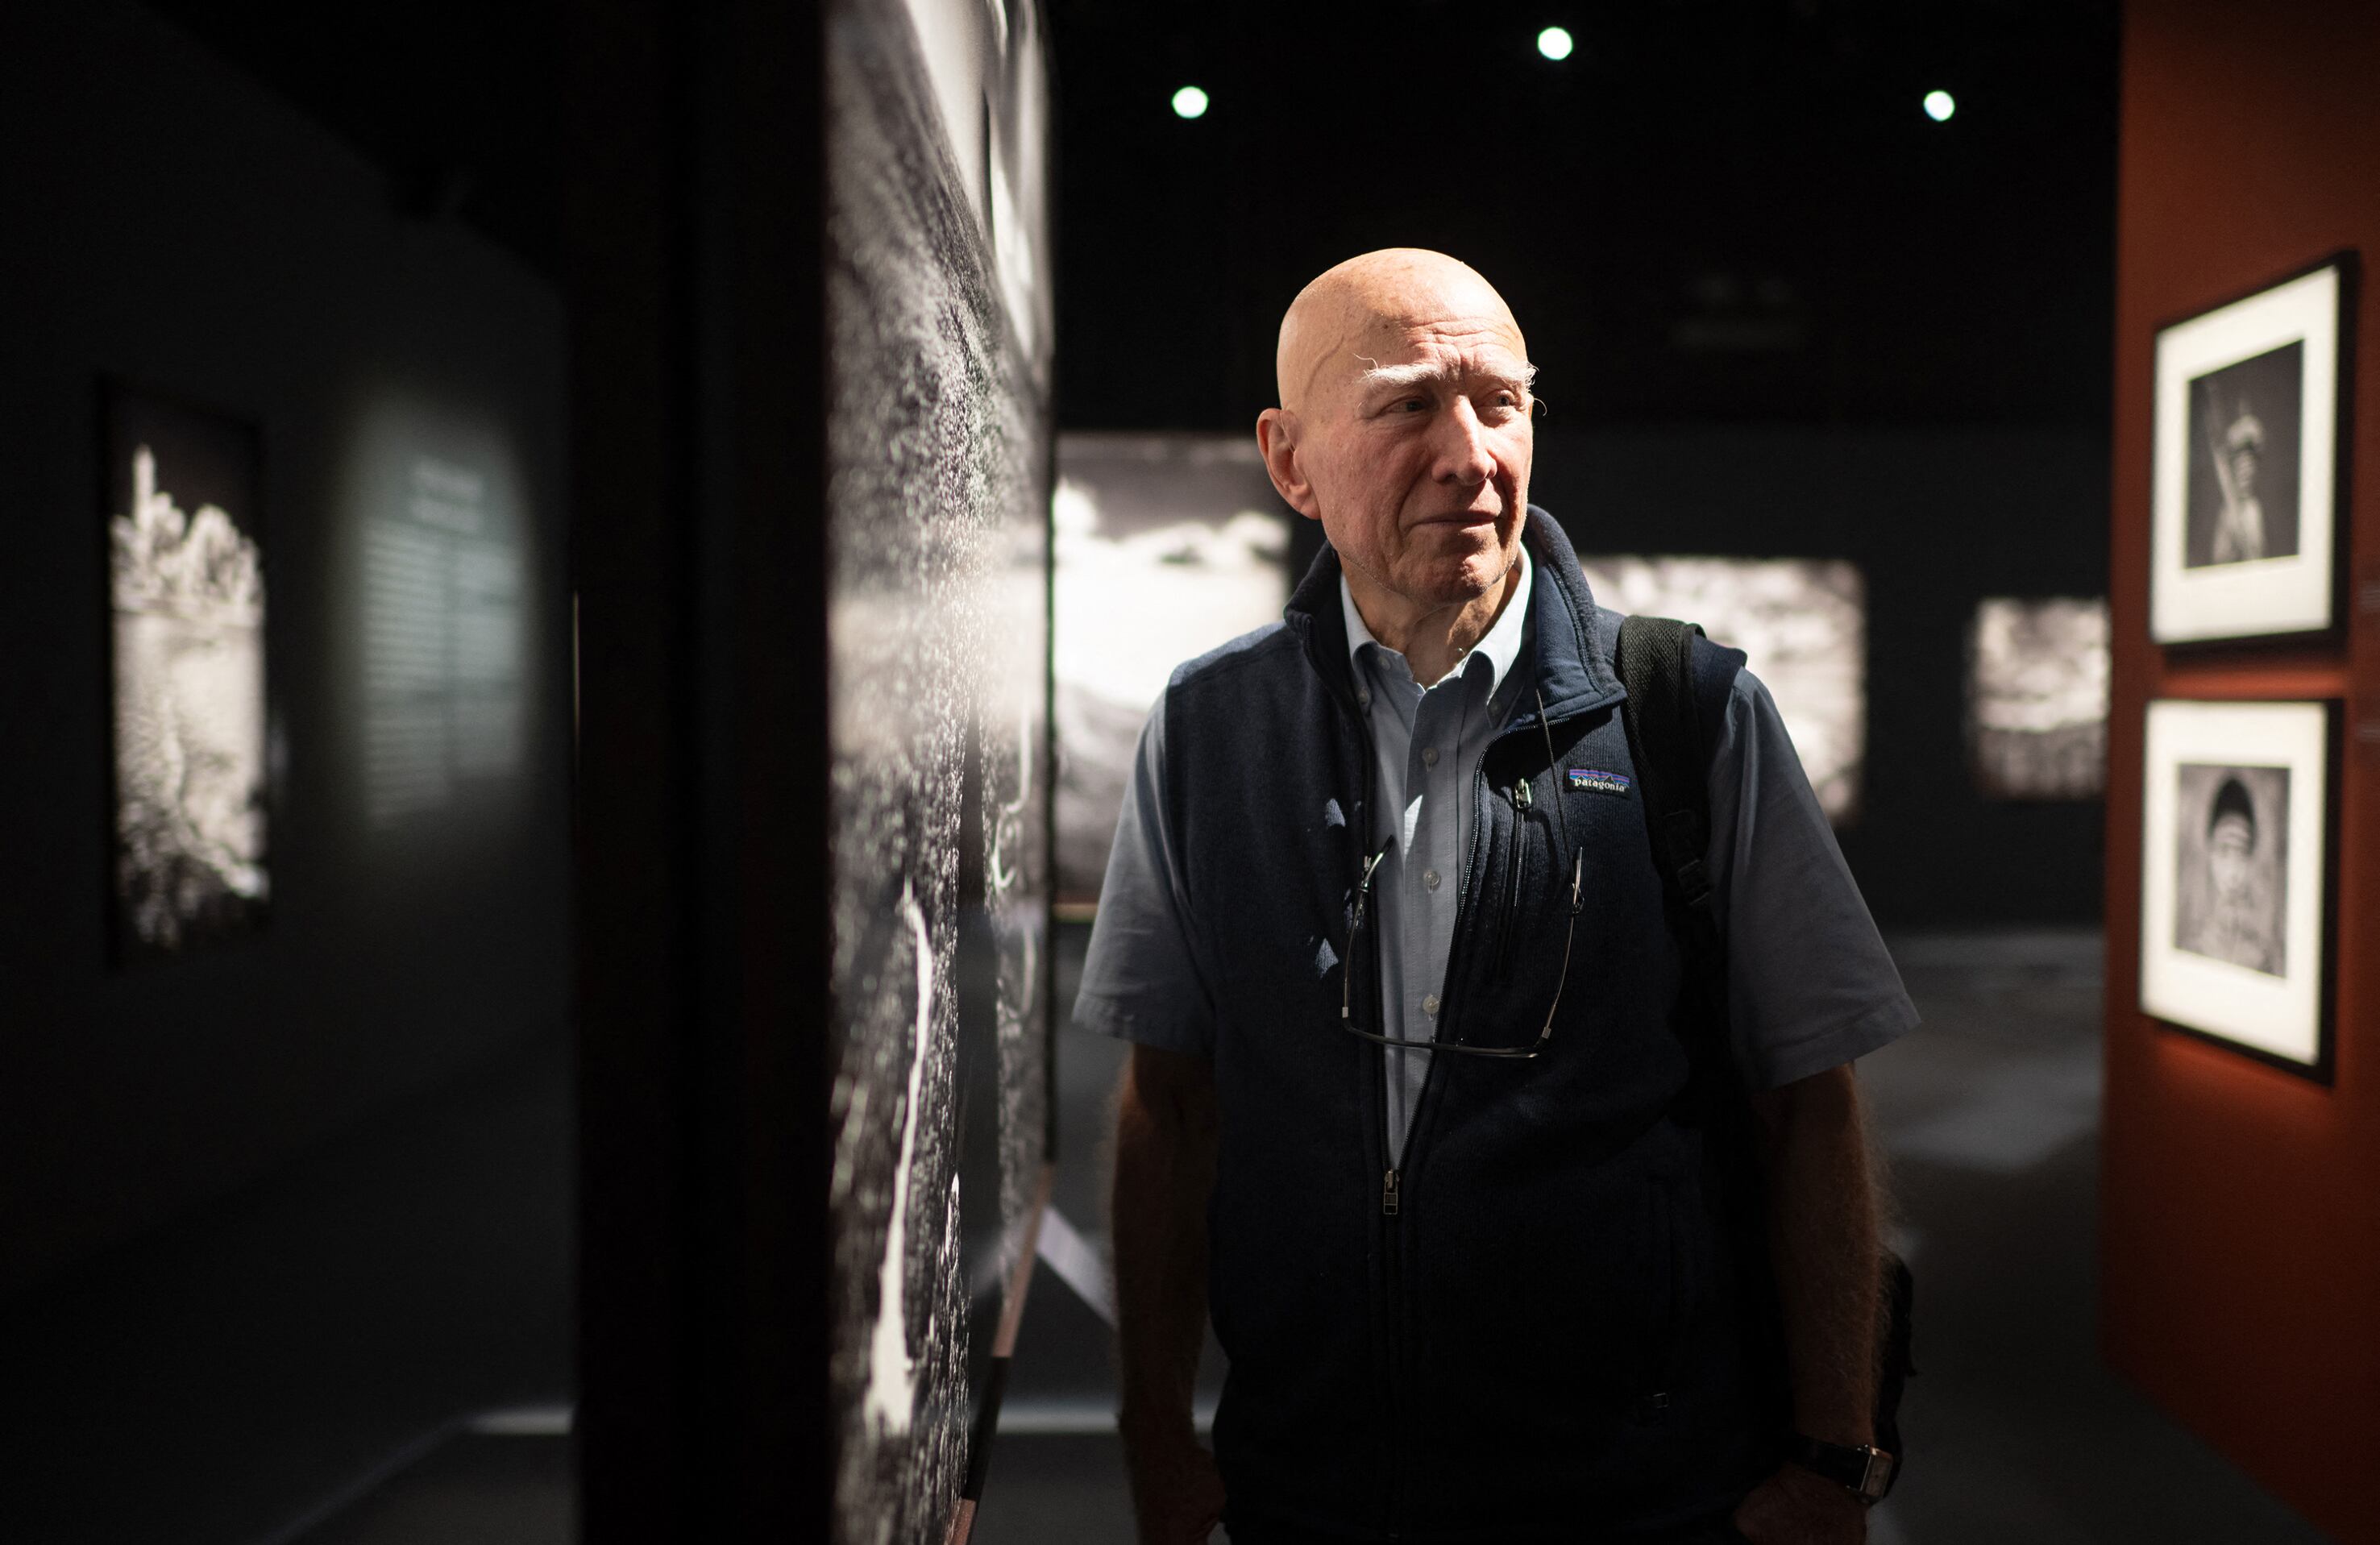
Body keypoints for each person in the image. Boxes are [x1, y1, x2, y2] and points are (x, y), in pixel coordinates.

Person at [1078, 249, 1917, 1544]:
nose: (1469, 455)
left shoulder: (1687, 711)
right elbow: (1170, 1105)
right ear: (1290, 461)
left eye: (1499, 403)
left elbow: (1809, 1104)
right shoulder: (1207, 728)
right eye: (1408, 404)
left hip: (1644, 1497)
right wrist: (1153, 1437)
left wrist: (1831, 1456)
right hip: (1313, 1490)